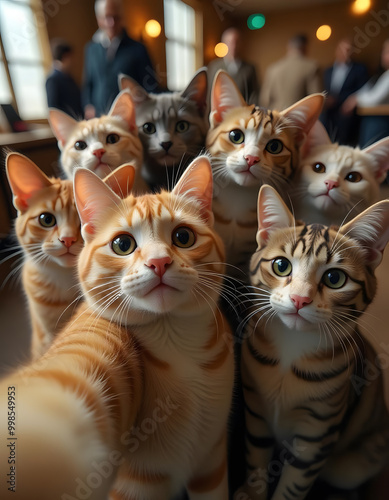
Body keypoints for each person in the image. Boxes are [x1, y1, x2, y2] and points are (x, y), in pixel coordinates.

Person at [83, 0, 159, 118]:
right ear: (99, 19)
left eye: (116, 17)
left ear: (122, 17)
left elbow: (151, 85)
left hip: (128, 117)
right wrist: (88, 104)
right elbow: (89, 82)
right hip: (99, 117)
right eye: (107, 17)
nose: (111, 23)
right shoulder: (91, 49)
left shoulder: (138, 49)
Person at [320, 38, 369, 145]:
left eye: (348, 50)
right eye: (343, 49)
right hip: (330, 112)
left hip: (348, 112)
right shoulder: (328, 70)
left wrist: (352, 100)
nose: (345, 53)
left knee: (345, 141)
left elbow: (363, 89)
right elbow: (326, 89)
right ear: (337, 50)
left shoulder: (360, 69)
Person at [343, 38, 389, 147]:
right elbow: (365, 89)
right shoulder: (382, 74)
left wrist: (356, 99)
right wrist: (355, 97)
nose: (383, 55)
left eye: (387, 52)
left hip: (379, 122)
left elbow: (375, 99)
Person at [260, 34, 322, 111]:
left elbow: (265, 100)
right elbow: (316, 100)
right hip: (299, 118)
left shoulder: (273, 68)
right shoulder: (312, 67)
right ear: (305, 47)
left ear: (289, 47)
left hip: (276, 117)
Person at [207, 27, 260, 104]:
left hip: (242, 113)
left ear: (241, 44)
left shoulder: (250, 69)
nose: (234, 46)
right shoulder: (214, 66)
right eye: (230, 42)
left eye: (237, 42)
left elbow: (254, 95)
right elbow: (209, 93)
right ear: (224, 44)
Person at [45, 38, 84, 118]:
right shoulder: (53, 80)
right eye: (70, 57)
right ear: (65, 56)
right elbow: (53, 108)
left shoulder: (69, 77)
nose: (73, 61)